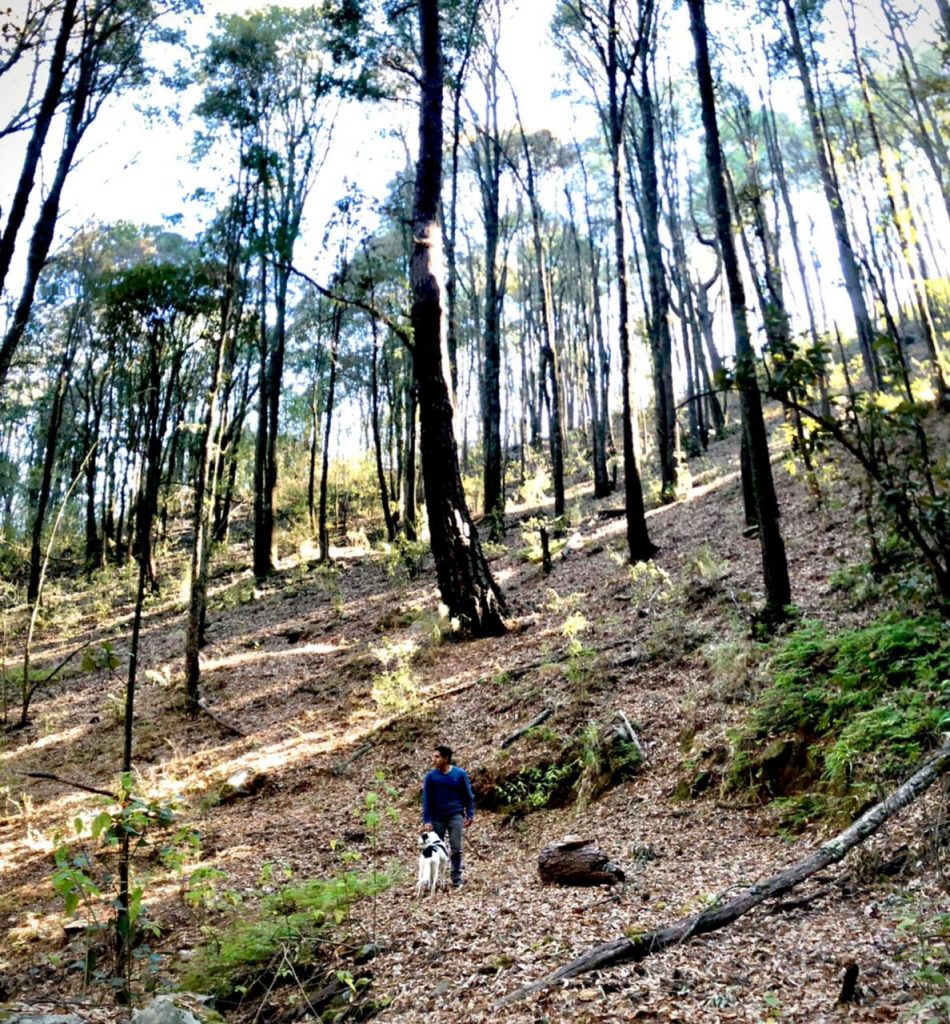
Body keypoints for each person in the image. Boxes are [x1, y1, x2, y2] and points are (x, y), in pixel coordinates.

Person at [421, 744, 474, 889]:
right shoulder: (430, 777)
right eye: (433, 756)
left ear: (446, 758)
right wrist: (426, 820)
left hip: (455, 815)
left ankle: (456, 877)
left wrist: (470, 814)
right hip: (437, 818)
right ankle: (432, 879)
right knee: (435, 849)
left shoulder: (459, 774)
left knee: (456, 847)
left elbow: (468, 796)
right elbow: (426, 800)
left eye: (437, 757)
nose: (434, 760)